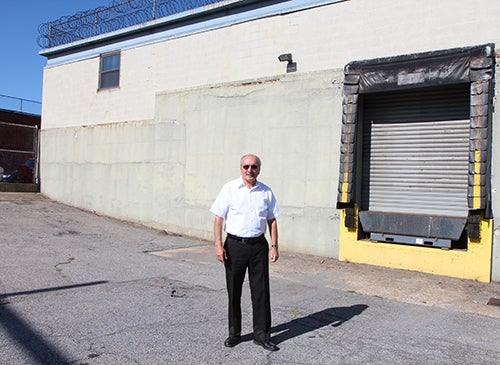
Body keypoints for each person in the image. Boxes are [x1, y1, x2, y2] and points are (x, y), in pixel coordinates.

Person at [210, 154, 281, 351]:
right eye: (246, 166)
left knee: (261, 292)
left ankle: (262, 335)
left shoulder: (266, 192)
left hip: (258, 246)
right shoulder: (229, 188)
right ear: (240, 168)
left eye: (254, 166)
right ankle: (234, 334)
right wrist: (218, 245)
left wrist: (274, 246)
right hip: (234, 246)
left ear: (259, 169)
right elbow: (218, 218)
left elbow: (272, 220)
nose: (250, 170)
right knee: (234, 291)